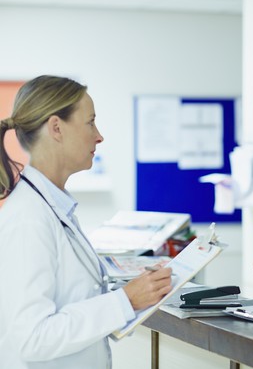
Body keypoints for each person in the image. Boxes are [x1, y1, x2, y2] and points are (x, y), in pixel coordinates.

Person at [0, 75, 173, 368]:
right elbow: (31, 338)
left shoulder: (53, 208)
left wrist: (135, 296)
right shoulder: (28, 218)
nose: (99, 135)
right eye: (90, 122)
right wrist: (124, 301)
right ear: (56, 128)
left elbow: (74, 307)